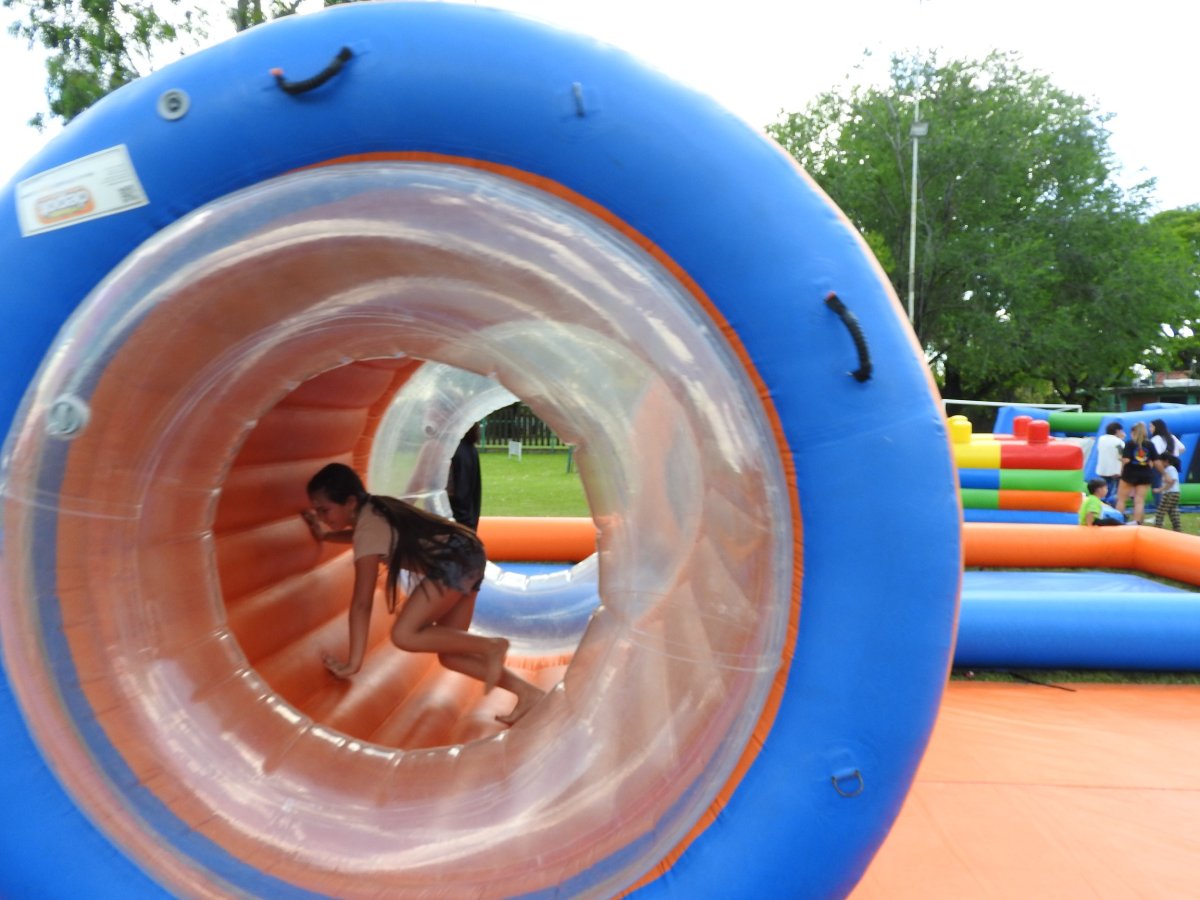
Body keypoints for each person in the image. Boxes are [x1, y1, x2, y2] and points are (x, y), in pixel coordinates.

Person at [301, 462, 544, 726]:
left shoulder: (368, 528)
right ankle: (528, 693)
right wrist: (326, 536)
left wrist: (353, 663)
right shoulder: (373, 510)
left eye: (325, 510)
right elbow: (362, 536)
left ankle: (492, 646)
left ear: (350, 502)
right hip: (468, 552)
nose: (321, 517)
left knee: (404, 634)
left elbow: (362, 603)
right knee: (452, 655)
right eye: (317, 511)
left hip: (455, 560)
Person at [1114, 422, 1158, 525]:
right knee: (1139, 500)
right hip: (1145, 474)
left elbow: (1126, 460)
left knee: (1121, 499)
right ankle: (1137, 523)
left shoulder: (1130, 443)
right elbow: (1154, 461)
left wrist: (1121, 463)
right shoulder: (1150, 444)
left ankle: (1117, 521)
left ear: (1133, 432)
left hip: (1130, 473)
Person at [446, 422, 482, 530]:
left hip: (452, 528)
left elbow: (452, 494)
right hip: (467, 527)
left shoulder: (451, 450)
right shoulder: (470, 449)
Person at [1094, 421, 1126, 504]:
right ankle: (1110, 504)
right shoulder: (1118, 442)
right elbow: (1122, 455)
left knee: (1103, 489)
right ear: (1117, 431)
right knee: (1113, 491)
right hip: (1114, 470)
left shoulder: (1101, 439)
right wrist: (1121, 440)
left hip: (1102, 469)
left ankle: (1103, 503)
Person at [1153, 453, 1182, 531]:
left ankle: (1157, 527)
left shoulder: (1170, 469)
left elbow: (1172, 481)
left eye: (1161, 462)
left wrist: (1160, 490)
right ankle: (1177, 529)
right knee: (1173, 512)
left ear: (1166, 461)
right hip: (1174, 493)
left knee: (1160, 511)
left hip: (1170, 493)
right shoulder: (1168, 469)